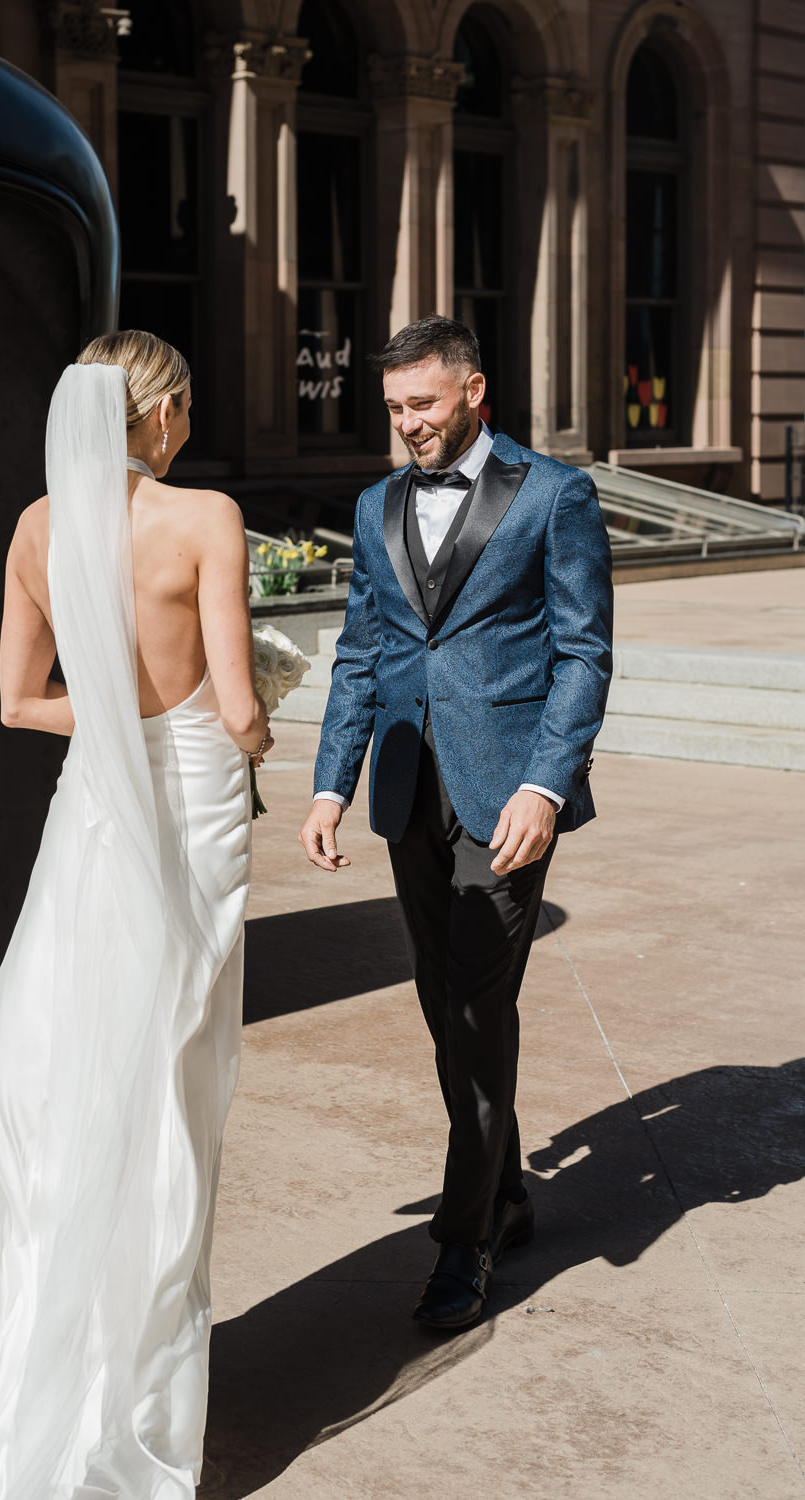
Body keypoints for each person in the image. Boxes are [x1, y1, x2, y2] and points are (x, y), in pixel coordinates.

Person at [0, 331, 272, 1500]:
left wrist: (120, 733)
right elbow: (233, 710)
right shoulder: (205, 519)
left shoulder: (38, 530)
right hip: (188, 814)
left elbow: (17, 701)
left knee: (72, 1059)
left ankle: (53, 1366)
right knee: (169, 1078)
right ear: (164, 412)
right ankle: (133, 1394)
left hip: (93, 814)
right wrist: (262, 708)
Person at [299, 315, 612, 1332]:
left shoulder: (554, 495)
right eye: (392, 409)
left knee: (476, 1009)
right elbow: (360, 651)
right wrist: (327, 784)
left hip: (506, 798)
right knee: (444, 1006)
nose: (407, 425)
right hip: (403, 789)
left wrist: (545, 786)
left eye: (422, 405)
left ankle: (463, 1240)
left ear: (475, 392)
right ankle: (507, 1193)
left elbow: (582, 653)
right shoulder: (375, 501)